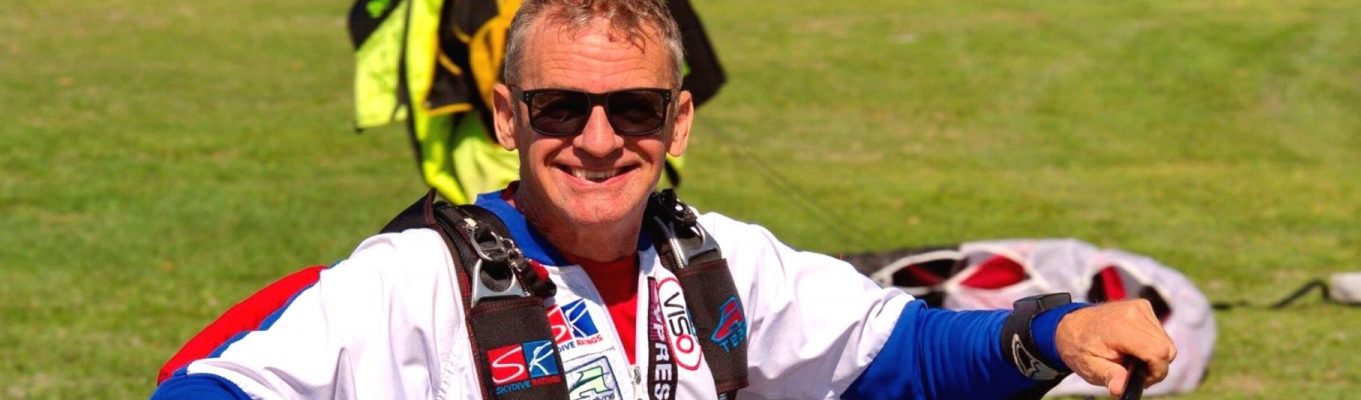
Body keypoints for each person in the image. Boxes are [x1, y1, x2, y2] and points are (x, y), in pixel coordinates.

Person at [152, 0, 1175, 399]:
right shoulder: (415, 277)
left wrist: (1055, 327)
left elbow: (899, 354)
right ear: (506, 117)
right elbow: (202, 389)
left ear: (679, 121)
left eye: (633, 108)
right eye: (561, 108)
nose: (598, 141)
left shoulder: (721, 261)